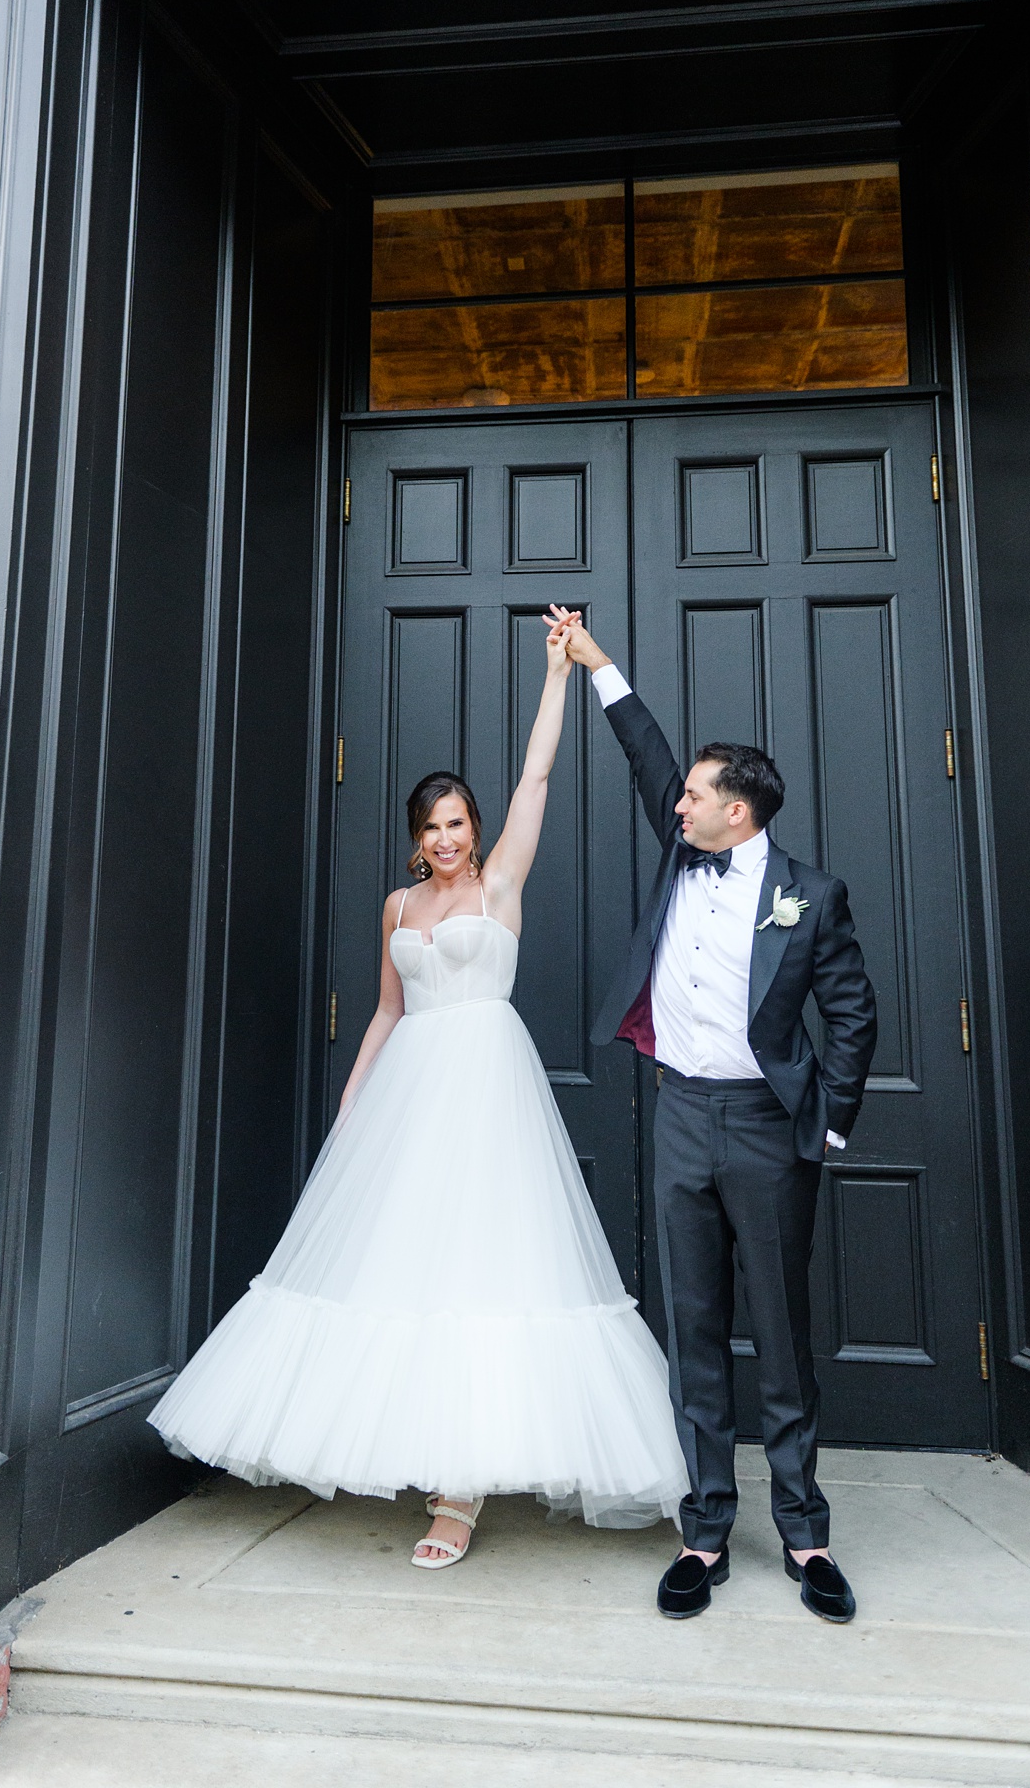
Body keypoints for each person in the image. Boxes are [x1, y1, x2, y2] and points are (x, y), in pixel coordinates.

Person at [149, 614, 688, 1568]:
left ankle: (459, 1495)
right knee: (402, 1268)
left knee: (481, 1268)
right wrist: (357, 1097)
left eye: (456, 823)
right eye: (429, 828)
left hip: (486, 1093)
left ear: (476, 829)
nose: (444, 839)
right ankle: (421, 1457)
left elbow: (537, 776)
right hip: (407, 1093)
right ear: (416, 839)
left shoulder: (502, 885)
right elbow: (388, 1009)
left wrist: (561, 671)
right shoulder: (399, 907)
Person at [545, 607, 878, 1624]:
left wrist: (828, 1126)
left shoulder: (810, 896)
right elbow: (644, 748)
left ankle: (806, 1532)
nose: (677, 801)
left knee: (779, 1335)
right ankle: (704, 1529)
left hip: (769, 1128)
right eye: (682, 792)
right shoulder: (681, 849)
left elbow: (854, 1013)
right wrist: (599, 662)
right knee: (692, 1327)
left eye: (696, 793)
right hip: (681, 1116)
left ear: (739, 812)